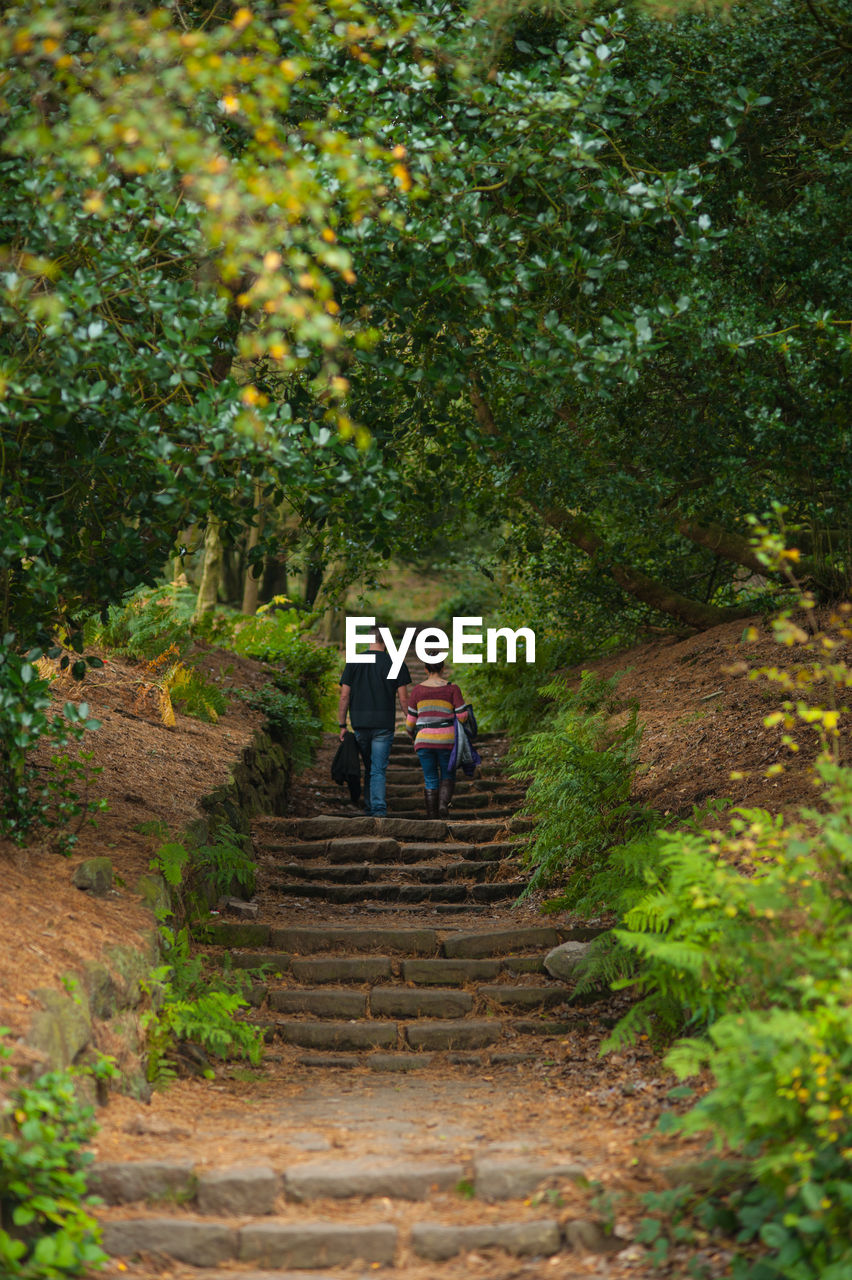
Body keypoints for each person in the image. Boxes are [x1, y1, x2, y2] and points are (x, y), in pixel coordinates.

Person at [338, 626, 410, 818]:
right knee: (377, 769)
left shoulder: (354, 661)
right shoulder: (395, 662)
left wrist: (342, 725)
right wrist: (412, 722)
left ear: (369, 640)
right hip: (384, 724)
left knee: (370, 767)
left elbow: (344, 696)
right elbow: (404, 700)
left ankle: (371, 807)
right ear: (386, 642)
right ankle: (377, 810)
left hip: (360, 723)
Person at [405, 660, 469, 819]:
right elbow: (462, 716)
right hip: (446, 739)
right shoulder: (452, 688)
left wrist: (412, 734)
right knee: (448, 774)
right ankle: (442, 805)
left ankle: (432, 816)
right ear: (443, 668)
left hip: (424, 740)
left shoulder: (417, 690)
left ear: (426, 669)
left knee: (430, 777)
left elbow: (410, 722)